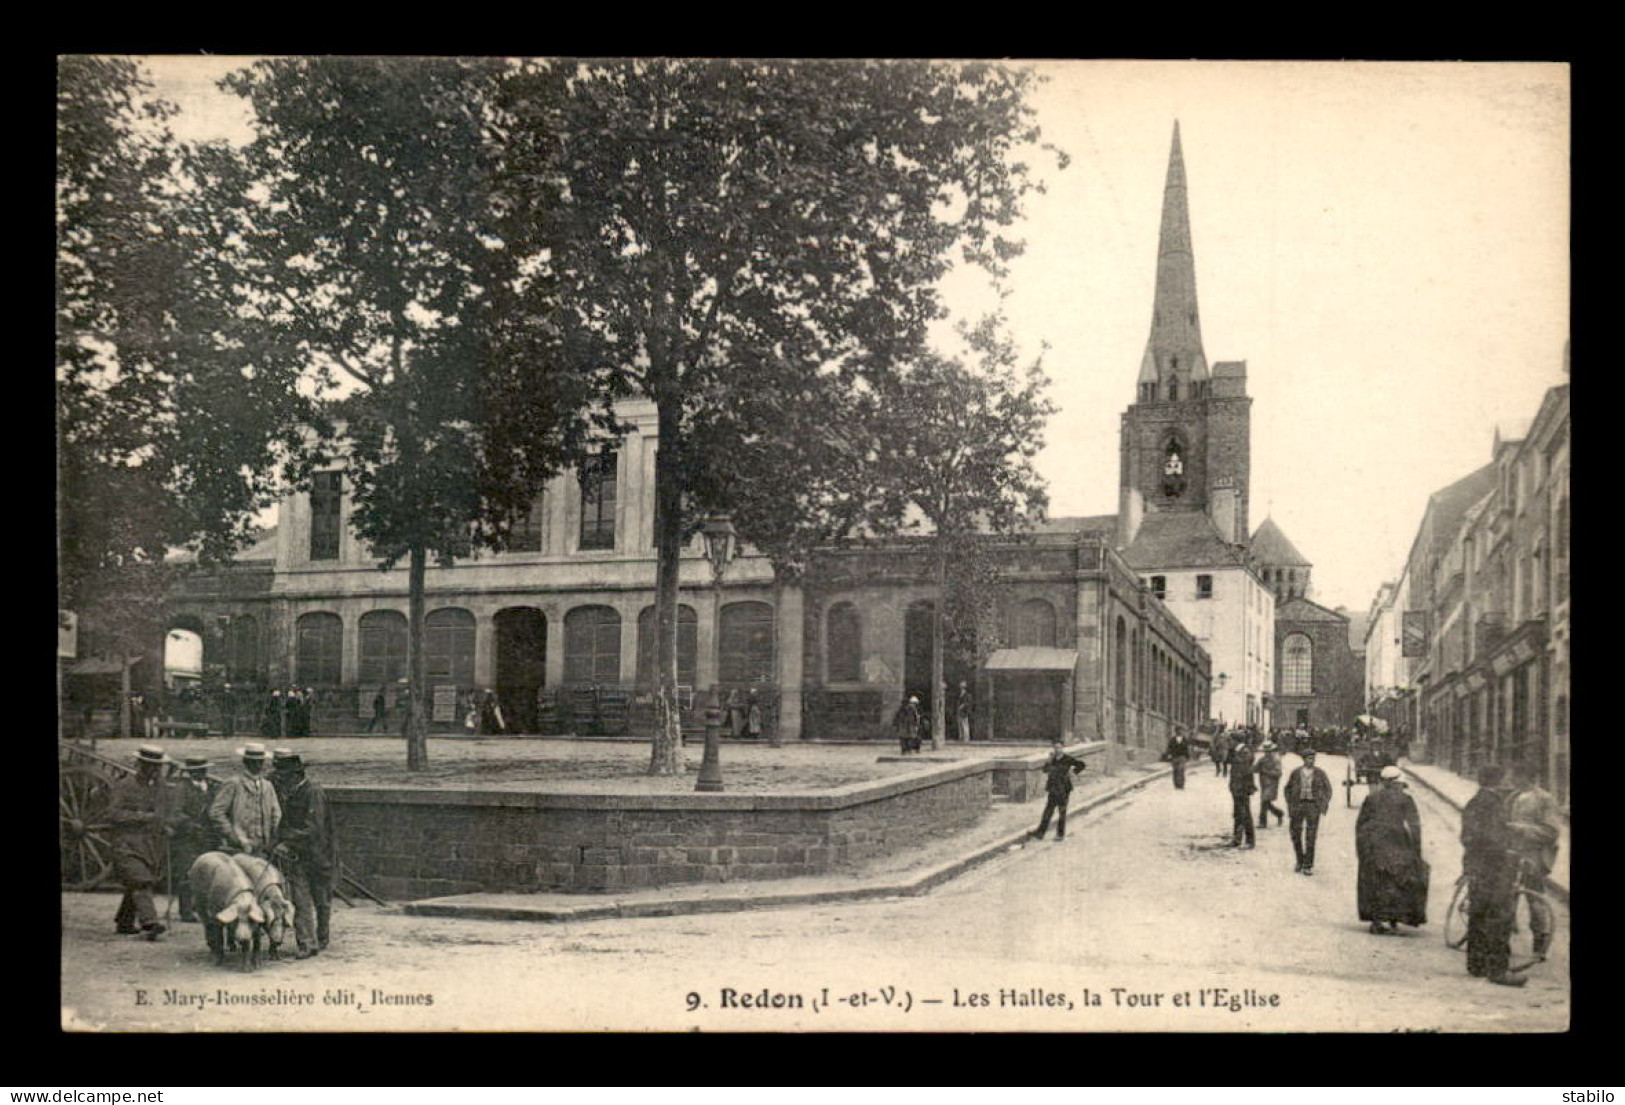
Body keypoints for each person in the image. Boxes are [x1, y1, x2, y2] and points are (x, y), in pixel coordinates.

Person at [1461, 764, 1525, 986]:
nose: (1508, 782)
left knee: (1478, 913)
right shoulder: (1491, 804)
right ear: (1497, 781)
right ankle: (1498, 970)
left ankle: (1477, 964)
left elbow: (1468, 836)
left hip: (1477, 866)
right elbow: (1489, 836)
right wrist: (1505, 849)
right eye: (1505, 778)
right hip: (1493, 867)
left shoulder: (1476, 801)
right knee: (1499, 915)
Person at [109, 745, 181, 939]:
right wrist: (142, 817)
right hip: (126, 844)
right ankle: (150, 922)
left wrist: (166, 825)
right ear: (140, 764)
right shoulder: (124, 785)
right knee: (141, 881)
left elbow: (162, 813)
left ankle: (124, 922)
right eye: (150, 766)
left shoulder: (158, 787)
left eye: (157, 767)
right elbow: (114, 814)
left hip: (150, 846)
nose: (155, 770)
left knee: (136, 882)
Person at [271, 750, 336, 959]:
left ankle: (322, 937)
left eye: (284, 776)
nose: (281, 780)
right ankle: (307, 944)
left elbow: (313, 829)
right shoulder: (289, 793)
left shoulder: (313, 792)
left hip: (319, 856)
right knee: (301, 900)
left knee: (322, 901)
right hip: (300, 856)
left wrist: (287, 841)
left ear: (295, 775)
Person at [1356, 765, 1429, 934]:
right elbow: (1414, 826)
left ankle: (1376, 920)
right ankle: (1394, 919)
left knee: (1375, 879)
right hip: (1397, 842)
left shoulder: (1371, 798)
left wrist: (1362, 848)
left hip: (1374, 843)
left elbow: (1361, 824)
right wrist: (1417, 851)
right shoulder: (1405, 799)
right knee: (1398, 879)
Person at [1505, 762, 1560, 960]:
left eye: (1516, 776)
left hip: (1533, 855)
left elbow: (1551, 832)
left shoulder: (1545, 799)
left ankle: (1540, 943)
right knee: (1506, 895)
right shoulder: (1513, 796)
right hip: (1512, 853)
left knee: (1535, 899)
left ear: (1529, 778)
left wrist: (1519, 829)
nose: (1512, 780)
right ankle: (1503, 941)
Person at [208, 742, 282, 857]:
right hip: (239, 844)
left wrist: (274, 837)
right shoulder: (233, 783)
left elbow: (276, 813)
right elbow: (216, 812)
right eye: (253, 762)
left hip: (263, 844)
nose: (257, 765)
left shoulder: (267, 786)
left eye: (260, 761)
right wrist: (232, 835)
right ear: (246, 762)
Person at [170, 756, 220, 923]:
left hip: (208, 837)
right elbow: (176, 813)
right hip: (188, 838)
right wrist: (191, 825)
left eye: (204, 770)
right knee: (187, 873)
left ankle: (202, 908)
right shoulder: (182, 789)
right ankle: (186, 911)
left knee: (207, 873)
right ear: (191, 772)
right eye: (198, 770)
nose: (202, 773)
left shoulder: (211, 788)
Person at [1285, 747, 1333, 875]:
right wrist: (1290, 803)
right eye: (1308, 759)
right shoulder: (1295, 773)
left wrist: (1322, 803)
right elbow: (1287, 789)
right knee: (1295, 834)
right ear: (1304, 760)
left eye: (1313, 759)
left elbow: (1328, 789)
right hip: (1298, 806)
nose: (1311, 761)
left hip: (1313, 806)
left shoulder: (1320, 773)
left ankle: (1308, 864)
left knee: (1311, 836)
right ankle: (1299, 860)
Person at [1031, 739, 1087, 841]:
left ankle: (1060, 835)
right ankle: (1040, 833)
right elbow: (1045, 770)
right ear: (1053, 748)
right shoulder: (1052, 759)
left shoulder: (1068, 759)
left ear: (1063, 748)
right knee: (1048, 811)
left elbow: (1081, 765)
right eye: (1056, 748)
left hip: (1064, 788)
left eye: (1059, 747)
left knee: (1062, 811)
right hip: (1053, 788)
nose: (1058, 750)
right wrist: (1048, 760)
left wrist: (1073, 772)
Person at [1228, 737, 1256, 848]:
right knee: (1238, 813)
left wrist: (1246, 787)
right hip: (1237, 787)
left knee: (1244, 814)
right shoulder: (1238, 751)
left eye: (1231, 740)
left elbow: (1246, 771)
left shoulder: (1244, 752)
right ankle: (1237, 839)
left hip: (1242, 788)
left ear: (1236, 741)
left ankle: (1249, 840)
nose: (1230, 742)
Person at [1255, 740, 1284, 828]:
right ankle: (1279, 813)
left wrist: (1266, 771)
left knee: (1264, 802)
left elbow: (1278, 773)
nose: (1267, 753)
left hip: (1272, 784)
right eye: (1265, 751)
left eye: (1269, 751)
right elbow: (1255, 769)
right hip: (1263, 784)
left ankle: (1262, 823)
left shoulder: (1276, 760)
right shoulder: (1262, 760)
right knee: (1266, 803)